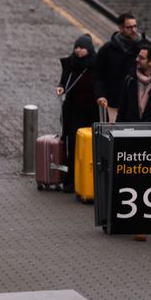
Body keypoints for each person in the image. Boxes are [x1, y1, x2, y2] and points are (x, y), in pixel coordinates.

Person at [98, 45, 151, 244]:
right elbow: (123, 109)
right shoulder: (130, 79)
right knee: (140, 180)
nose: (137, 59)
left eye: (141, 57)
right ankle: (142, 226)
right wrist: (119, 134)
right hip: (136, 136)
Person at [56, 34, 97, 193]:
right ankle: (70, 181)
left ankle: (87, 180)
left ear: (89, 49)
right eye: (77, 47)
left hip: (92, 112)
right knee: (72, 145)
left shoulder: (96, 64)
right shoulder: (70, 63)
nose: (78, 50)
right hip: (74, 111)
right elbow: (64, 80)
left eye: (82, 48)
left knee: (89, 147)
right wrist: (61, 86)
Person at [94, 13, 147, 123]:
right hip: (114, 101)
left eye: (135, 26)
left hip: (138, 102)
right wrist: (100, 95)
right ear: (120, 28)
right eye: (129, 27)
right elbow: (98, 75)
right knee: (115, 135)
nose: (133, 30)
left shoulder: (143, 48)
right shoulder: (107, 49)